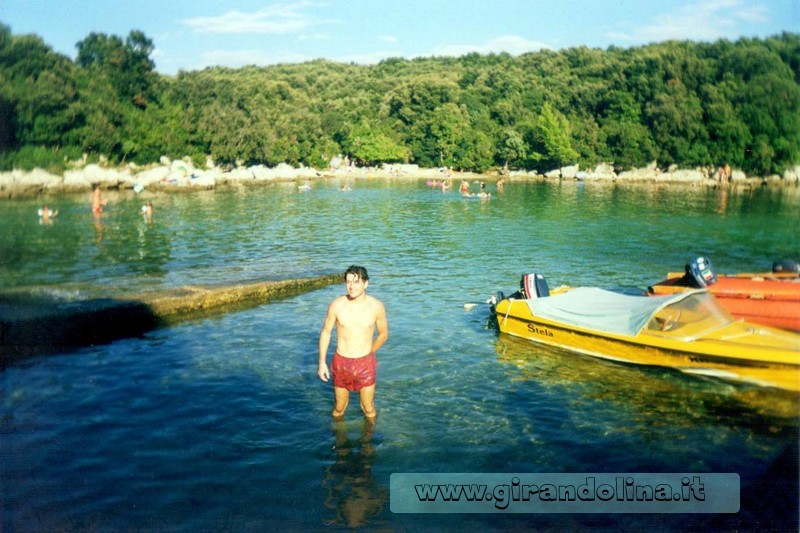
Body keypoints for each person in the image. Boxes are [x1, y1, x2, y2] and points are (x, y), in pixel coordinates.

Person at [319, 265, 388, 420]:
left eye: (356, 282)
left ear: (366, 284)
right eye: (348, 282)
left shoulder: (376, 306)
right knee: (339, 408)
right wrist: (322, 363)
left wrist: (370, 352)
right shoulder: (337, 305)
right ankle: (340, 440)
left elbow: (383, 334)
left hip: (365, 363)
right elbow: (326, 332)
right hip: (341, 362)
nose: (351, 286)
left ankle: (368, 443)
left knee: (368, 408)